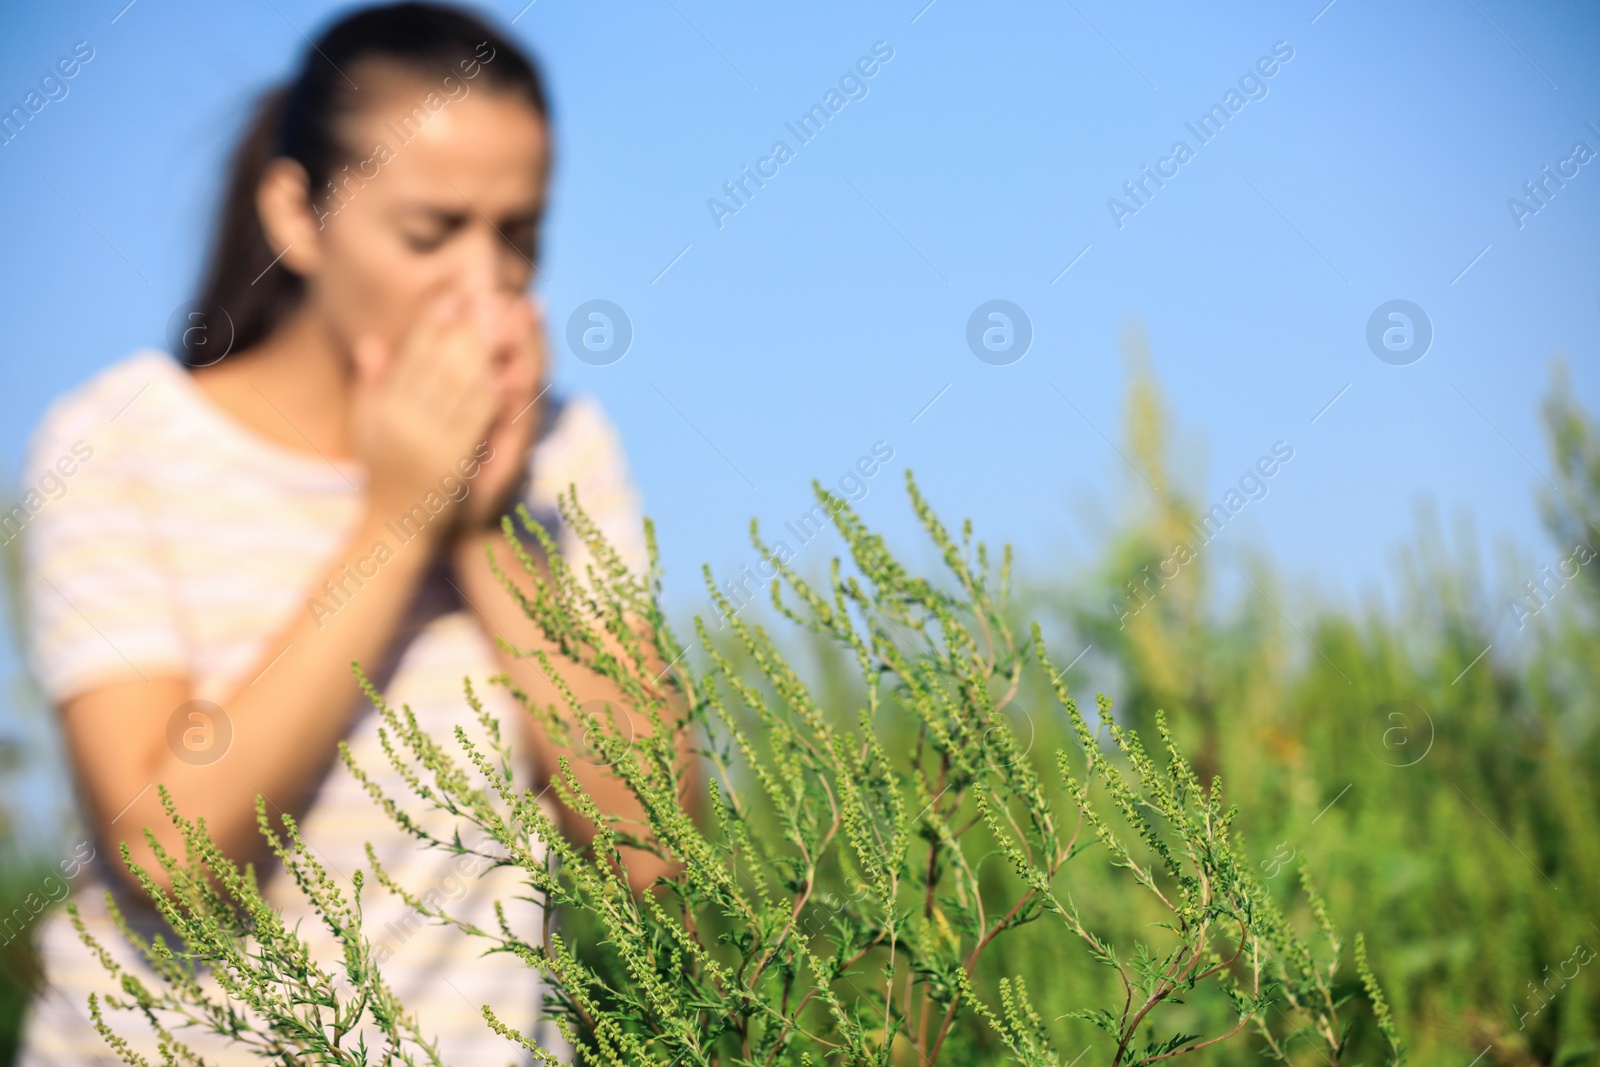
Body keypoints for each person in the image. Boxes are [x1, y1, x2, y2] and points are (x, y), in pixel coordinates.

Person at [15, 4, 666, 1062]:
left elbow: (657, 858)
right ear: (296, 214)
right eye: (430, 232)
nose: (483, 283)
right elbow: (171, 853)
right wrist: (397, 521)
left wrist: (482, 523)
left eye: (519, 237)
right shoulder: (122, 438)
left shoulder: (565, 452)